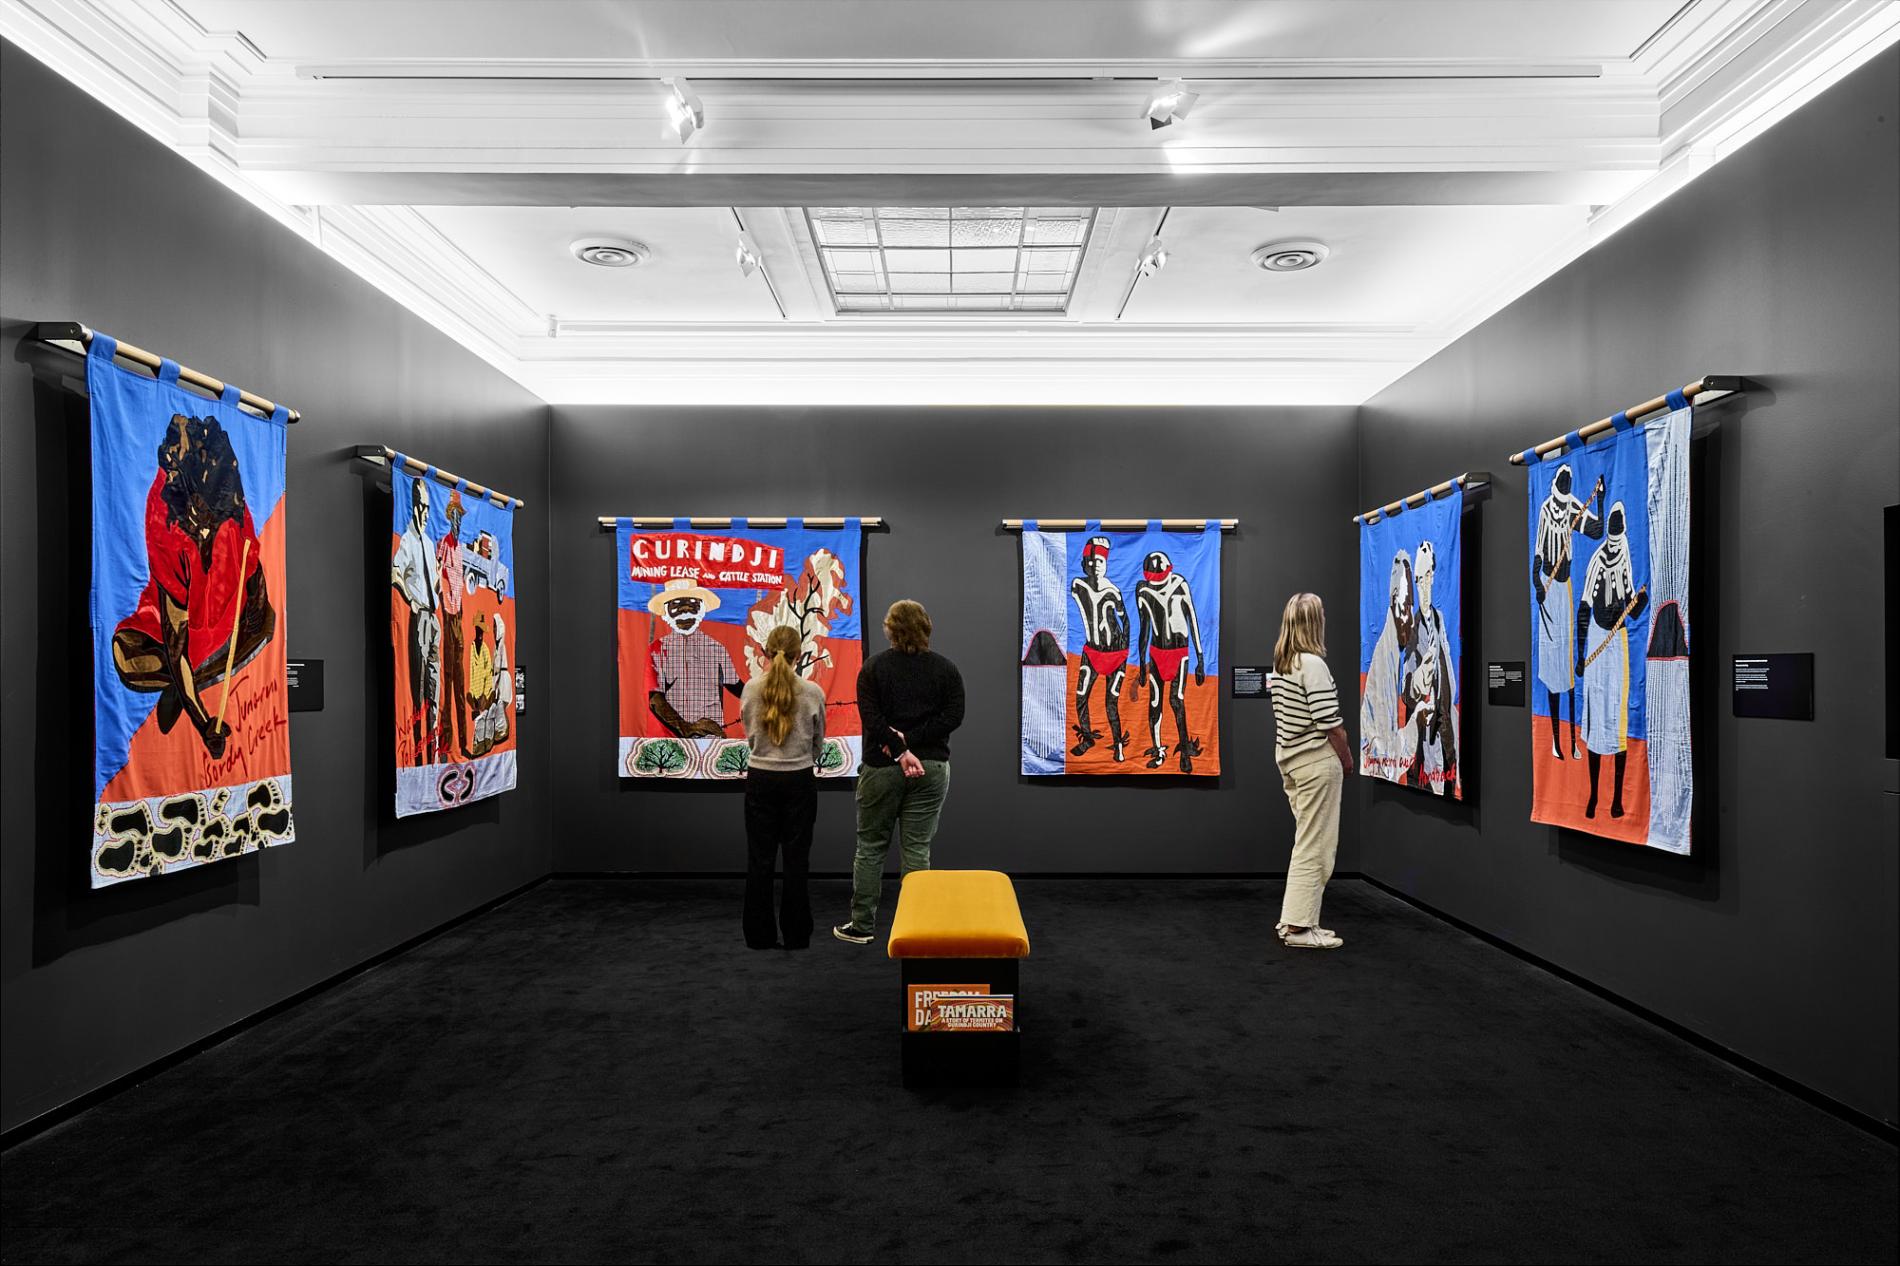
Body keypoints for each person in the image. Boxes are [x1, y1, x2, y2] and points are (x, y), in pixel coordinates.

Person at [112, 413, 276, 760]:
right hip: (180, 630)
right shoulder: (165, 525)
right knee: (126, 656)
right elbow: (175, 642)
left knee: (266, 628)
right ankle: (188, 680)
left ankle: (188, 679)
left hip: (225, 618)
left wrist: (256, 615)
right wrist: (203, 723)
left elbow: (255, 572)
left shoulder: (232, 509)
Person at [834, 600, 965, 944]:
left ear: (890, 630)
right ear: (927, 628)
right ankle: (917, 928)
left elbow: (871, 720)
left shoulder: (873, 668)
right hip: (932, 769)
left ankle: (862, 926)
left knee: (871, 847)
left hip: (882, 768)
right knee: (918, 848)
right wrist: (914, 742)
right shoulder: (946, 669)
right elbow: (953, 717)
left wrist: (900, 745)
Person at [1268, 593, 1352, 950]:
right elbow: (1330, 724)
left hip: (1291, 760)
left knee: (1308, 842)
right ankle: (1300, 928)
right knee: (1315, 845)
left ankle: (1296, 920)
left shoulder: (1282, 663)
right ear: (1314, 622)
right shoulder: (1312, 665)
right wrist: (1347, 759)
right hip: (1316, 762)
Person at [740, 623, 826, 950]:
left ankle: (759, 936)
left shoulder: (750, 689)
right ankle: (796, 934)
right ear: (798, 654)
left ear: (764, 652)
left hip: (760, 780)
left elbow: (750, 736)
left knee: (759, 860)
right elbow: (818, 743)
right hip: (799, 781)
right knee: (796, 861)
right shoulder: (813, 692)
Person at [1576, 502, 1648, 819]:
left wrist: (1639, 602)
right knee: (1595, 718)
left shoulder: (1626, 558)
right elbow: (1583, 608)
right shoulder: (1596, 561)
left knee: (1617, 718)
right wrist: (1580, 655)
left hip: (1616, 642)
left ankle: (1618, 798)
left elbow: (1631, 608)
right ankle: (1593, 795)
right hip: (1596, 637)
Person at [1532, 464, 1605, 759]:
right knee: (1552, 667)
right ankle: (1555, 739)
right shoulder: (1546, 510)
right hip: (1548, 593)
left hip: (1565, 587)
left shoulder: (1573, 506)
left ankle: (1573, 739)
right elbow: (1537, 555)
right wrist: (1538, 583)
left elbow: (1597, 530)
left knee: (1569, 664)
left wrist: (1600, 496)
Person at [1133, 550, 1207, 772]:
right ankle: (1158, 749)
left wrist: (1200, 658)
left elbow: (1192, 619)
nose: (1158, 583)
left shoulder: (1179, 584)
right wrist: (1142, 663)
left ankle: (1185, 751)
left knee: (1177, 701)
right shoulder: (1143, 590)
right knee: (1155, 703)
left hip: (1179, 653)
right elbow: (1144, 628)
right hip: (1157, 653)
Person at [647, 577, 743, 738]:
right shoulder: (658, 650)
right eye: (676, 604)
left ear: (702, 609)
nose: (685, 610)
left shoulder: (717, 648)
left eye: (692, 603)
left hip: (711, 735)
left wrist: (768, 697)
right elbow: (655, 699)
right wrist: (686, 727)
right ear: (665, 612)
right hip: (673, 737)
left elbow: (736, 686)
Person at [391, 475, 440, 765]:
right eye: (419, 506)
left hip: (433, 619)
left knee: (434, 681)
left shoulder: (429, 544)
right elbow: (396, 571)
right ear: (412, 507)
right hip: (419, 616)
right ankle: (418, 748)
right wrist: (412, 598)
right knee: (420, 685)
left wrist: (437, 594)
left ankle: (433, 746)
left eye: (426, 507)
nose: (423, 513)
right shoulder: (408, 541)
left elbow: (433, 578)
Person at [1069, 536, 1130, 761]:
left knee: (1110, 703)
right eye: (1091, 561)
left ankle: (1118, 746)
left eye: (1100, 561)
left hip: (1116, 654)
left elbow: (1126, 622)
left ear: (1106, 565)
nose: (1095, 565)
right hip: (1091, 652)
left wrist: (1125, 649)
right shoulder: (1078, 585)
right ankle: (1087, 737)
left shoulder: (1113, 591)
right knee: (1080, 696)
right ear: (1084, 563)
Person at [435, 490, 469, 759]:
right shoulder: (445, 545)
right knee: (447, 679)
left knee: (460, 681)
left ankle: (464, 741)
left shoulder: (460, 551)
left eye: (460, 517)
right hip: (447, 616)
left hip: (458, 617)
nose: (457, 521)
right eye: (454, 516)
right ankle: (447, 743)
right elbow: (437, 576)